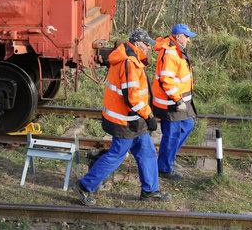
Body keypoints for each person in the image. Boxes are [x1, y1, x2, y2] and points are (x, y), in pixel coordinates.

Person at [72, 29, 172, 206]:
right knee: (117, 155)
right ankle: (84, 186)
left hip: (132, 119)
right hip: (125, 121)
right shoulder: (129, 63)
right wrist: (148, 115)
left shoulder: (131, 58)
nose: (149, 46)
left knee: (147, 152)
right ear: (137, 43)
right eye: (146, 43)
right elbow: (132, 97)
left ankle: (150, 191)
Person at [151, 23, 197, 180]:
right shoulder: (171, 53)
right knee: (172, 135)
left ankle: (167, 159)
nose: (188, 40)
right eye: (187, 36)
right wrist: (178, 100)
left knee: (187, 125)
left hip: (176, 101)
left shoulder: (177, 49)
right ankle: (164, 168)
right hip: (170, 103)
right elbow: (166, 80)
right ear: (178, 36)